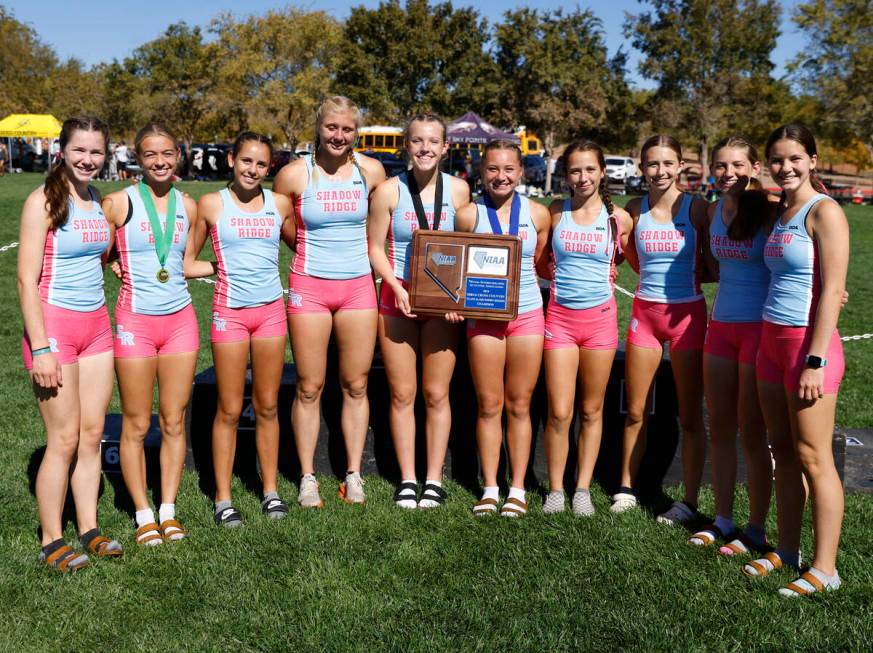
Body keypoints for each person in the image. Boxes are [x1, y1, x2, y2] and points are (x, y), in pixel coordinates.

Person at [743, 123, 848, 598]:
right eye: (777, 160)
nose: (786, 167)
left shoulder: (824, 211)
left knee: (814, 457)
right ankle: (787, 551)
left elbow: (832, 292)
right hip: (770, 343)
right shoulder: (779, 208)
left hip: (809, 350)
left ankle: (826, 568)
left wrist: (816, 360)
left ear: (813, 159)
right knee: (781, 451)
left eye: (794, 158)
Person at [272, 96, 386, 507]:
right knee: (308, 385)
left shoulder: (370, 171)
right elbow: (283, 225)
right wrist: (307, 252)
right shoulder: (292, 175)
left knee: (356, 383)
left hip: (357, 287)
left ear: (356, 132)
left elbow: (379, 223)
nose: (339, 136)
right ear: (317, 128)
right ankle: (307, 478)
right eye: (331, 128)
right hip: (309, 286)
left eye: (347, 129)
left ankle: (353, 474)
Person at [17, 116, 119, 570]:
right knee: (63, 439)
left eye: (96, 152)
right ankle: (50, 539)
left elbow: (99, 254)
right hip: (54, 330)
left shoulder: (98, 201)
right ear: (62, 150)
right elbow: (25, 279)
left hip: (97, 327)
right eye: (80, 150)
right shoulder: (42, 201)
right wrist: (41, 348)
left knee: (92, 434)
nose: (88, 160)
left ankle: (89, 527)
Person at [102, 123, 204, 545]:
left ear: (177, 155)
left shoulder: (189, 206)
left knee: (174, 420)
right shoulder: (117, 203)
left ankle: (169, 509)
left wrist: (231, 267)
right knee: (137, 423)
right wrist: (113, 266)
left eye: (167, 154)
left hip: (180, 321)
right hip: (136, 322)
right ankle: (143, 514)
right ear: (138, 160)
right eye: (150, 155)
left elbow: (188, 261)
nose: (159, 162)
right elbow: (100, 253)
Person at [188, 132, 294, 527]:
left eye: (261, 165)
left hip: (270, 315)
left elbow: (301, 246)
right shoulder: (211, 204)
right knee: (230, 408)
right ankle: (223, 498)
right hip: (229, 315)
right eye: (246, 161)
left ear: (270, 169)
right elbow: (187, 261)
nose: (253, 170)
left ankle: (270, 491)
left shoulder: (280, 204)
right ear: (232, 160)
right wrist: (222, 269)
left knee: (267, 406)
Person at [367, 113, 470, 509]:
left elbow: (467, 246)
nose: (425, 148)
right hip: (398, 301)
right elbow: (376, 247)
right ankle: (408, 479)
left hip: (443, 306)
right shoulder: (389, 192)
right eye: (417, 141)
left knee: (436, 392)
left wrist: (458, 299)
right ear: (406, 146)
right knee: (402, 393)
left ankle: (434, 479)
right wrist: (395, 287)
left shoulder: (460, 191)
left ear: (445, 147)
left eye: (433, 141)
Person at [611, 135, 712, 524]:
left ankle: (686, 500)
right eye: (652, 164)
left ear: (681, 166)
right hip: (645, 316)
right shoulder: (634, 209)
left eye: (668, 164)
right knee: (635, 410)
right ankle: (625, 487)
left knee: (688, 415)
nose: (660, 171)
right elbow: (634, 259)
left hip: (688, 317)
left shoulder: (697, 209)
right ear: (641, 167)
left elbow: (718, 259)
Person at [688, 136, 775, 554]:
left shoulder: (771, 212)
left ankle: (755, 527)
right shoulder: (709, 210)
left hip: (760, 330)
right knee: (719, 425)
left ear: (755, 167)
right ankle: (722, 518)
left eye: (738, 165)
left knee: (752, 431)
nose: (729, 173)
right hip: (720, 328)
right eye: (721, 166)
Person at [454, 139, 549, 517]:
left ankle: (519, 488)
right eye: (492, 169)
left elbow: (539, 261)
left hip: (526, 315)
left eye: (509, 169)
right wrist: (456, 304)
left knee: (520, 405)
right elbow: (455, 266)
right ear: (481, 172)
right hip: (483, 320)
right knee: (489, 405)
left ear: (521, 172)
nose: (501, 176)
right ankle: (491, 487)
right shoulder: (467, 215)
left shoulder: (538, 214)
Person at [540, 140, 632, 516]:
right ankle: (557, 490)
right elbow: (541, 261)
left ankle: (582, 490)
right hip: (559, 320)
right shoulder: (556, 212)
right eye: (575, 170)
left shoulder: (619, 218)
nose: (582, 177)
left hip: (600, 323)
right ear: (566, 175)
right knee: (560, 411)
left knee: (592, 410)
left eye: (589, 169)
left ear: (601, 172)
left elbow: (631, 258)